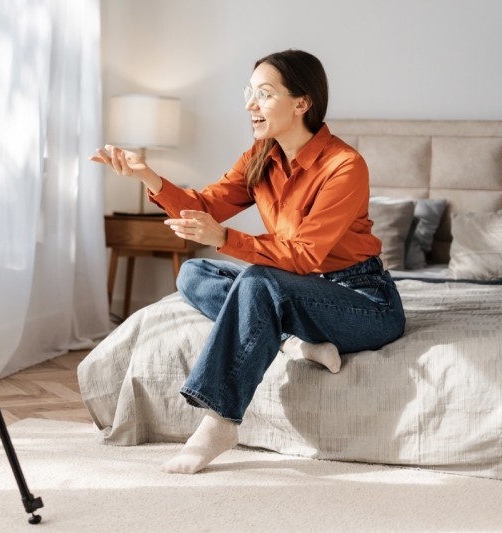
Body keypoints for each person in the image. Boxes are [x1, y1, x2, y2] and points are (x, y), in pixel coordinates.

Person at [90, 49, 406, 474]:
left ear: (302, 102)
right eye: (249, 92)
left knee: (258, 281)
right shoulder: (260, 157)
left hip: (361, 300)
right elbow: (203, 204)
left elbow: (304, 254)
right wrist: (148, 176)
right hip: (293, 292)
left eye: (264, 93)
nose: (249, 104)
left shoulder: (344, 166)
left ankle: (219, 421)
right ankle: (293, 341)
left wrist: (222, 237)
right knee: (194, 272)